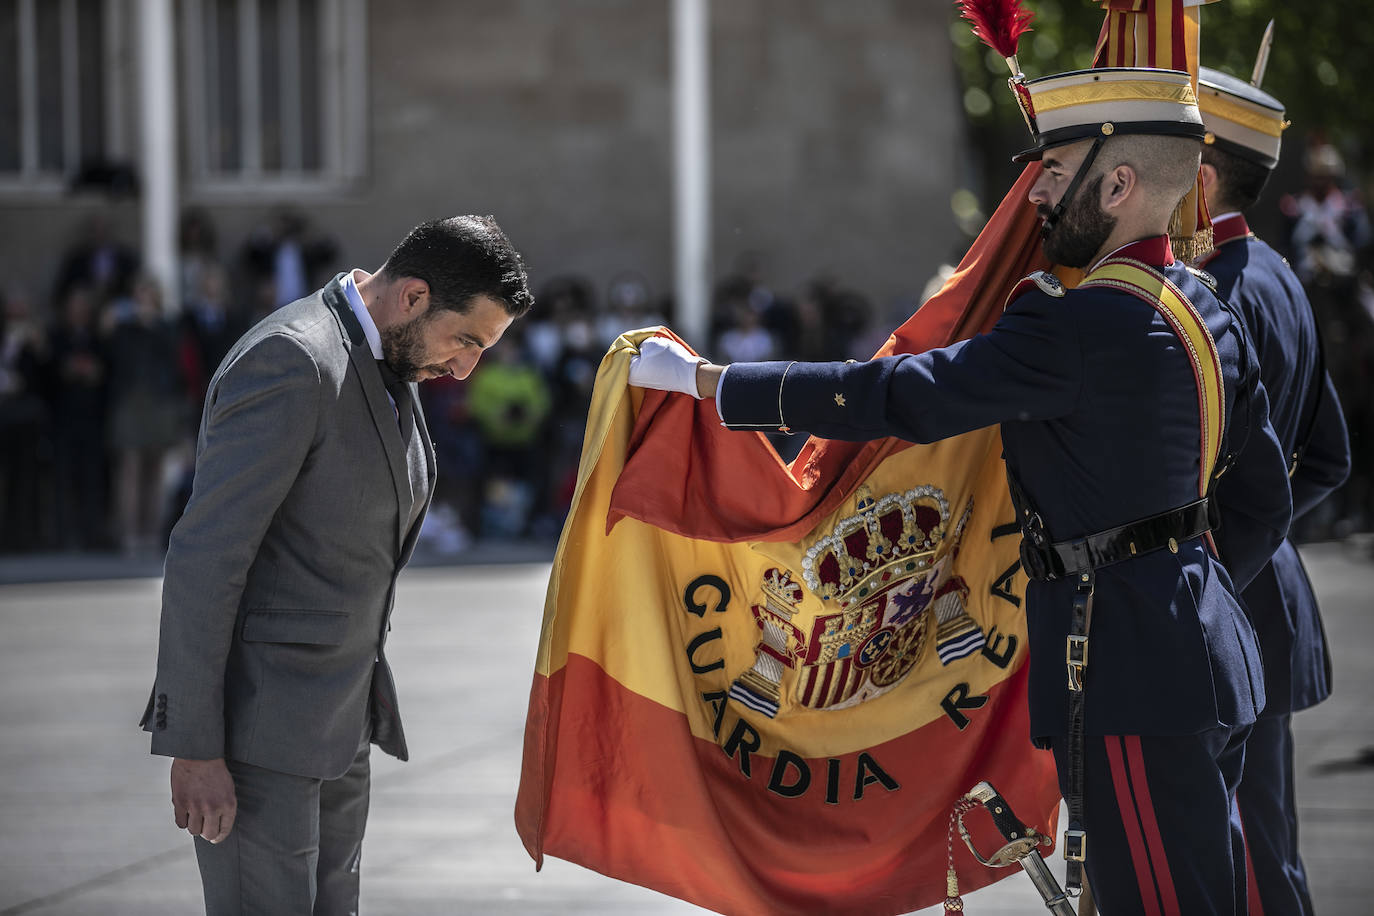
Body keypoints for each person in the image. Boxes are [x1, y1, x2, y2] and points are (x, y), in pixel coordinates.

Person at [629, 67, 1292, 914]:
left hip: (1129, 671)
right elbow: (1263, 502)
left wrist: (714, 385)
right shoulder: (1207, 308)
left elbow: (902, 393)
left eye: (1054, 176)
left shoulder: (1072, 321)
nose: (1036, 197)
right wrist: (1176, 590)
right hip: (1208, 652)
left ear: (1118, 184)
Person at [139, 215, 532, 914]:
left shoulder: (392, 353)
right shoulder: (294, 359)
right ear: (413, 296)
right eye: (466, 340)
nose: (466, 367)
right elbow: (205, 557)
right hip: (257, 736)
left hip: (342, 725)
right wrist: (194, 746)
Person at [1196, 67, 1352, 915]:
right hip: (1271, 590)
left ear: (1203, 173)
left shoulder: (1215, 292)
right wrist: (1271, 535)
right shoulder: (1278, 273)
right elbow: (1327, 458)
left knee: (1244, 867)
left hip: (1228, 599)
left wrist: (1227, 567)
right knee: (1267, 853)